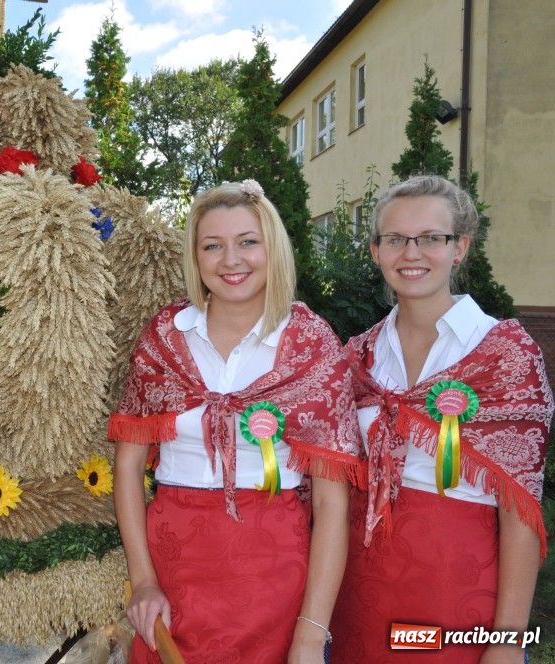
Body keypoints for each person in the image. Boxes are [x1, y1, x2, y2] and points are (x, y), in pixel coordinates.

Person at [109, 180, 365, 664]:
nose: (231, 260)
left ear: (273, 250)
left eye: (248, 242)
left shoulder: (311, 345)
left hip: (273, 575)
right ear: (195, 256)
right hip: (172, 568)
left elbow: (333, 504)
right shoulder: (164, 337)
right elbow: (127, 468)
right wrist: (142, 581)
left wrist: (311, 635)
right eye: (213, 245)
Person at [329, 175, 552, 664]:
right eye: (395, 239)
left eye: (432, 237)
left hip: (456, 594)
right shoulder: (356, 358)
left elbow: (521, 513)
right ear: (376, 250)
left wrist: (508, 642)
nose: (412, 252)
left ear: (460, 247)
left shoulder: (506, 356)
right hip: (360, 596)